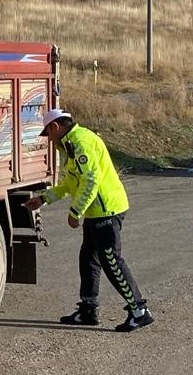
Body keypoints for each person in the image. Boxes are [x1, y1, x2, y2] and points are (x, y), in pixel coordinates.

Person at [23, 108, 155, 332]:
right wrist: (44, 199)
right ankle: (88, 309)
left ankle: (139, 310)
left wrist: (75, 212)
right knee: (88, 259)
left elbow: (91, 181)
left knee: (111, 261)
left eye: (48, 134)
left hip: (107, 210)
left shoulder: (80, 143)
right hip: (96, 212)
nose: (48, 139)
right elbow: (72, 184)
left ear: (55, 127)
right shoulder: (70, 143)